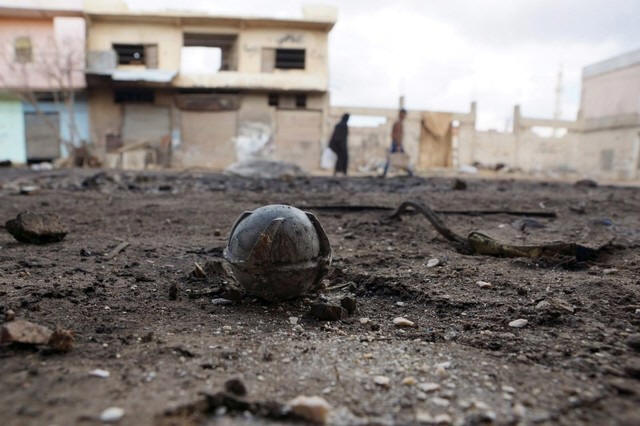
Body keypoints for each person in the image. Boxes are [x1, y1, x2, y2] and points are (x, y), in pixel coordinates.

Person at [381, 108, 412, 177]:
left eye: (405, 115)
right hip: (396, 143)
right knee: (397, 157)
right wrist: (398, 145)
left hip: (397, 143)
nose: (404, 116)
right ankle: (410, 172)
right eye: (403, 114)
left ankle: (410, 172)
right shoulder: (398, 123)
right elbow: (394, 134)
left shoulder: (400, 123)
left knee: (397, 157)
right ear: (400, 114)